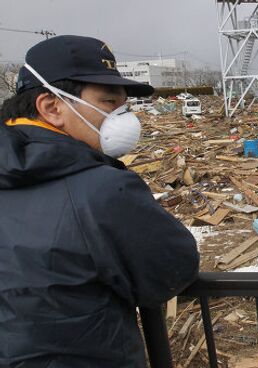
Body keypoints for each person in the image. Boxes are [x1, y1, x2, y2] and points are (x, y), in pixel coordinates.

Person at [0, 35, 199, 367]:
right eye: (109, 102)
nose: (123, 118)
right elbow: (171, 269)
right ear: (52, 107)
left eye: (124, 106)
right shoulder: (100, 189)